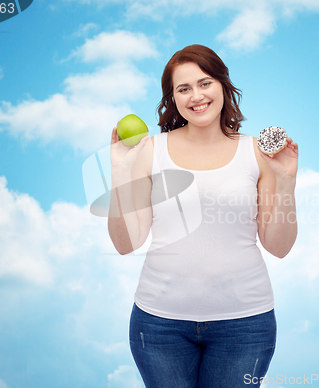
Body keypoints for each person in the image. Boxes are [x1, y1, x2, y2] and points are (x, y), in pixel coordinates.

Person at [108, 44, 298, 388]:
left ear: (223, 86)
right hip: (158, 324)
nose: (196, 95)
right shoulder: (150, 150)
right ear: (173, 99)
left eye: (205, 82)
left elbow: (279, 247)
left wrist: (285, 183)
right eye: (184, 88)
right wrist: (121, 172)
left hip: (245, 325)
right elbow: (126, 244)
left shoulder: (256, 152)